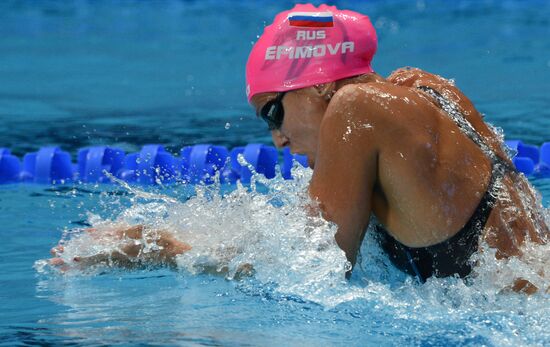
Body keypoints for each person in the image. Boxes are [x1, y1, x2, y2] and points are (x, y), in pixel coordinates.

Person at [52, 4, 548, 292]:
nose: (278, 139)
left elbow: (313, 267)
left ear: (315, 87)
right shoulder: (427, 90)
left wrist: (159, 247)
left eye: (273, 112)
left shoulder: (356, 108)